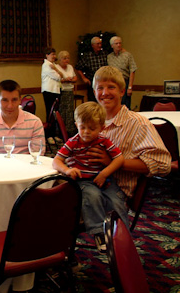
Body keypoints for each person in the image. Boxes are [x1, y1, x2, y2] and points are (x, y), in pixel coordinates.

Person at [88, 66, 171, 251]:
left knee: (58, 204)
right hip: (87, 184)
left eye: (111, 87)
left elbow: (163, 164)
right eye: (100, 88)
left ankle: (122, 256)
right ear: (94, 92)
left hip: (115, 193)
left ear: (122, 91)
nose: (104, 93)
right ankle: (55, 259)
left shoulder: (137, 123)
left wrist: (115, 163)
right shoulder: (90, 121)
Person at [52, 101, 124, 252]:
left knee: (117, 201)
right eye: (82, 127)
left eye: (92, 128)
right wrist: (67, 170)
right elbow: (57, 160)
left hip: (104, 179)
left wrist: (105, 173)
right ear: (76, 125)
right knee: (92, 196)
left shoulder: (104, 141)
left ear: (102, 128)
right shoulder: (73, 142)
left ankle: (122, 237)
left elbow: (119, 159)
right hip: (83, 181)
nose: (86, 132)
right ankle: (99, 233)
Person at [0, 79, 45, 155]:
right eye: (5, 100)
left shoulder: (34, 122)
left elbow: (38, 154)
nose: (10, 106)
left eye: (14, 100)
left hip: (25, 165)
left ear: (20, 100)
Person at [107, 36, 137, 109]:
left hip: (124, 82)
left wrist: (130, 87)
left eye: (120, 43)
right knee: (115, 105)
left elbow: (132, 70)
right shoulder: (109, 57)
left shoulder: (127, 55)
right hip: (113, 83)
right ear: (112, 46)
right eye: (116, 43)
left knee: (125, 106)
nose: (119, 45)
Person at [75, 36, 108, 102]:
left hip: (104, 81)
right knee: (92, 102)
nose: (100, 45)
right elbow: (78, 67)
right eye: (97, 44)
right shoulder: (88, 56)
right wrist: (84, 78)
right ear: (92, 45)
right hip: (92, 82)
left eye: (100, 43)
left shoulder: (104, 54)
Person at [56, 50, 77, 137]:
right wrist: (65, 80)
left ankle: (70, 131)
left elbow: (75, 78)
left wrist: (71, 80)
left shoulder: (70, 67)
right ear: (60, 59)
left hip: (69, 91)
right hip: (61, 91)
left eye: (68, 58)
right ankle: (61, 131)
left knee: (69, 111)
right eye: (64, 58)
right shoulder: (56, 67)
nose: (66, 60)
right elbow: (56, 79)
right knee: (62, 111)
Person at [41, 47, 63, 123]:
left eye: (54, 54)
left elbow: (62, 75)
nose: (54, 56)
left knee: (55, 112)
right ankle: (50, 133)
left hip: (55, 91)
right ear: (47, 55)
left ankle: (54, 132)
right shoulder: (46, 65)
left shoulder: (53, 65)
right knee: (50, 112)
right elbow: (58, 77)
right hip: (49, 91)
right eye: (52, 54)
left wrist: (56, 70)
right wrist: (58, 72)